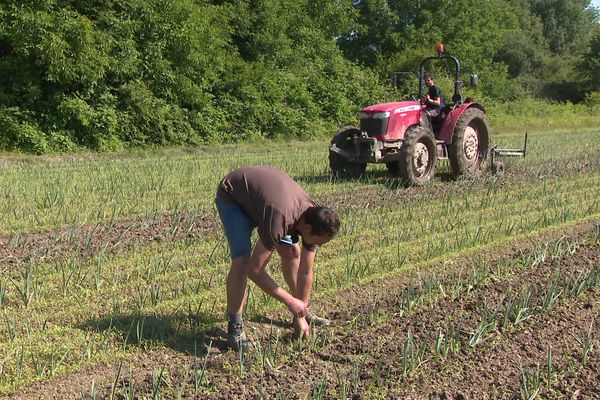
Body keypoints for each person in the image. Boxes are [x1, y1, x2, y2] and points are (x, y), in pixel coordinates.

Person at [215, 165, 341, 351]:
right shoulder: (281, 219)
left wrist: (300, 311)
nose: (319, 246)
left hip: (266, 202)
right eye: (319, 242)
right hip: (234, 197)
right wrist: (290, 301)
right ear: (307, 229)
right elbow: (255, 270)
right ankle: (235, 328)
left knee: (292, 252)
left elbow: (306, 270)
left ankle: (303, 311)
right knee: (242, 261)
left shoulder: (313, 216)